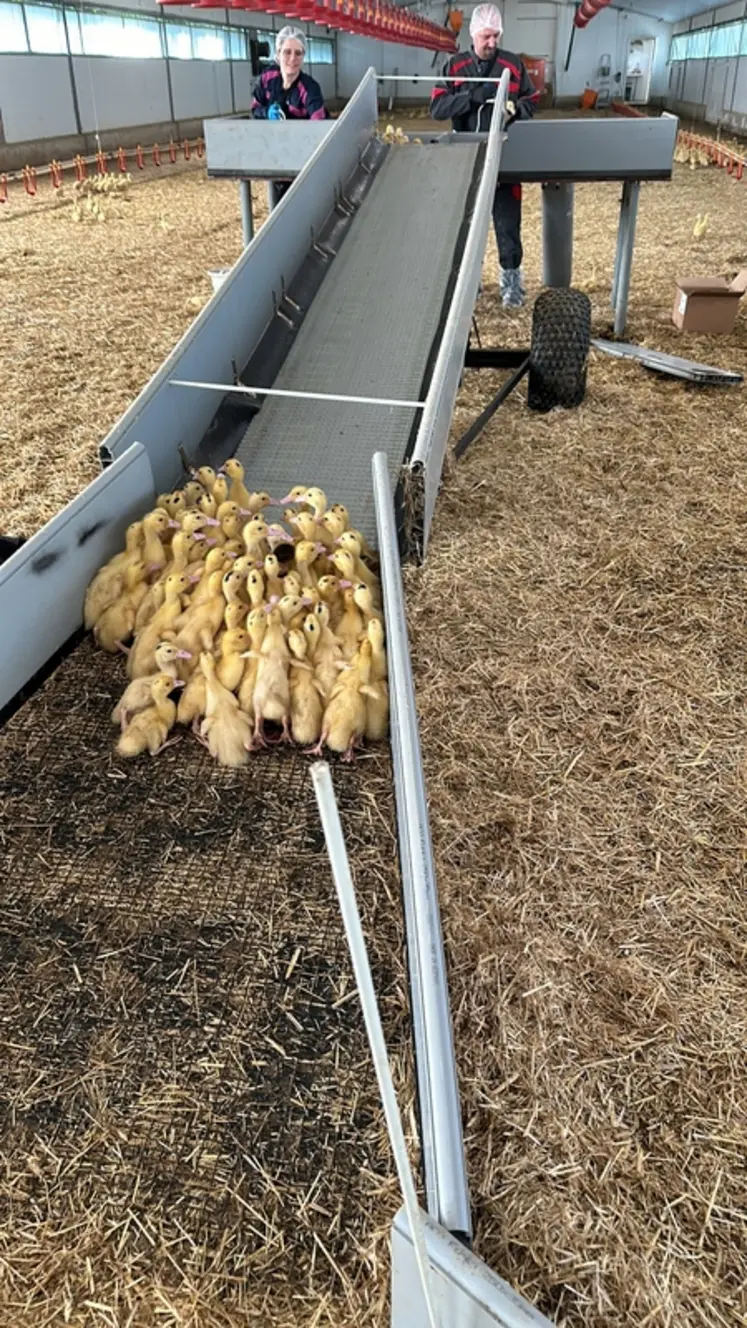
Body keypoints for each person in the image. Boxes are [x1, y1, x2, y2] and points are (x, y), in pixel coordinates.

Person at [430, 4, 538, 308]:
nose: (492, 42)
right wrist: (469, 98)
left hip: (505, 158)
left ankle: (512, 285)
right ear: (473, 34)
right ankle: (469, 283)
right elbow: (437, 108)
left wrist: (518, 110)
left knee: (507, 224)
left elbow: (531, 97)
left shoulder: (513, 64)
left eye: (496, 36)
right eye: (486, 36)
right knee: (465, 225)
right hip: (465, 160)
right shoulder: (454, 67)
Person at [252, 28, 328, 204]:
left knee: (299, 202)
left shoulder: (309, 89)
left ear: (304, 56)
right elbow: (255, 108)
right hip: (274, 154)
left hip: (301, 157)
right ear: (278, 53)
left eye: (298, 53)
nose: (292, 59)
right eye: (287, 52)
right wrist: (266, 113)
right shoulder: (267, 78)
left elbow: (319, 123)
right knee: (278, 201)